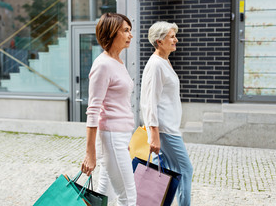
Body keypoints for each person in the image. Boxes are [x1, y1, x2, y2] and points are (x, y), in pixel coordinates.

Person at [81, 13, 137, 206]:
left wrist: (125, 139)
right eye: (126, 30)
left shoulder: (118, 62)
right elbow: (93, 110)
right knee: (128, 198)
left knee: (104, 194)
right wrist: (90, 153)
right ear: (112, 32)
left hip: (119, 136)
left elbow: (120, 104)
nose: (130, 35)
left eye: (130, 30)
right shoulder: (103, 65)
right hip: (112, 136)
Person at [140, 21, 193, 206]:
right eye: (172, 36)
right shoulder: (155, 65)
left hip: (167, 127)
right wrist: (153, 133)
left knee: (167, 172)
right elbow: (149, 101)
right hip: (164, 129)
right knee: (185, 169)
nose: (176, 39)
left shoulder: (164, 61)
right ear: (159, 41)